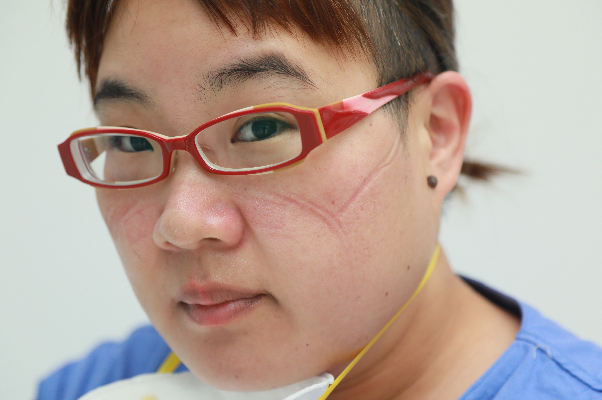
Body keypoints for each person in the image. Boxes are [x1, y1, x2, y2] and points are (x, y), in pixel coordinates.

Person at [38, 0, 602, 399]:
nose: (180, 223)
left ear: (436, 133)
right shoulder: (92, 387)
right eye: (131, 142)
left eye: (261, 128)